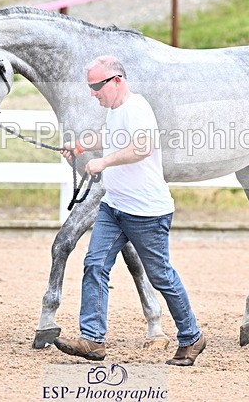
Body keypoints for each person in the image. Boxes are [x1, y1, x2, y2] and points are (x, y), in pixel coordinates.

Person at [53, 55, 206, 367]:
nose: (92, 92)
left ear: (117, 81)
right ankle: (92, 339)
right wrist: (81, 146)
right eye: (90, 86)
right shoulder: (115, 110)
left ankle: (191, 336)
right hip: (115, 206)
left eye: (96, 85)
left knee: (161, 276)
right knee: (95, 265)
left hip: (146, 211)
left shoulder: (137, 107)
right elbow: (111, 138)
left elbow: (142, 147)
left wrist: (104, 162)